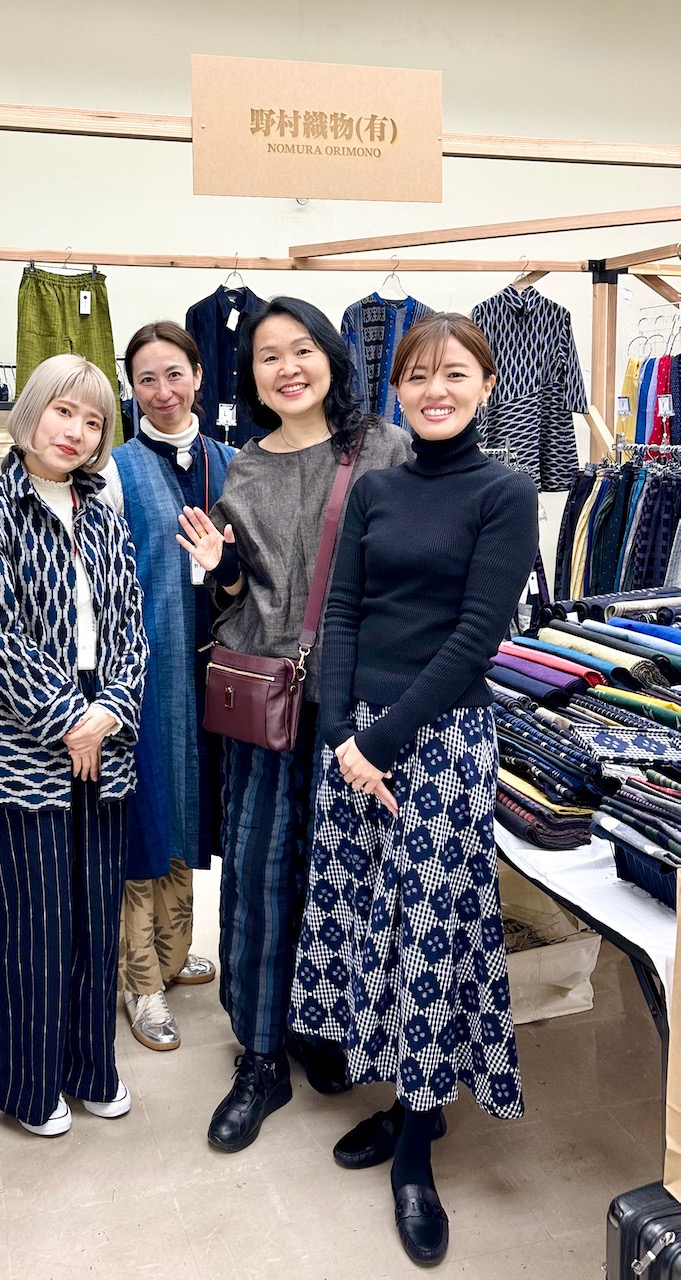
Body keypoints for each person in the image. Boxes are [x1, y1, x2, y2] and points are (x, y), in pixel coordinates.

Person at [288, 313, 539, 1267]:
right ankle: (402, 1103)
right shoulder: (376, 488)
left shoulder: (504, 491)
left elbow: (477, 637)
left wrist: (382, 742)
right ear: (395, 389)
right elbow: (342, 610)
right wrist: (343, 737)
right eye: (418, 376)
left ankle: (415, 1146)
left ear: (485, 386)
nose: (435, 391)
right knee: (368, 925)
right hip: (355, 741)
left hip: (438, 743)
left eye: (455, 374)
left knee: (427, 937)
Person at [176, 296, 412, 1152]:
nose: (287, 367)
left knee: (341, 874)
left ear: (330, 357)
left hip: (354, 702)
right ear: (250, 375)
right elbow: (242, 589)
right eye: (268, 355)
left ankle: (324, 1026)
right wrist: (222, 569)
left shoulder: (384, 448)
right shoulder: (244, 466)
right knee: (260, 869)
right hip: (266, 696)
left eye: (301, 349)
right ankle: (260, 1052)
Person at [0, 354, 148, 1137]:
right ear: (30, 414)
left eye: (92, 421)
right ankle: (29, 1085)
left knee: (93, 916)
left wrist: (108, 710)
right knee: (30, 925)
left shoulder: (104, 515)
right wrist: (65, 717)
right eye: (63, 411)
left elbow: (131, 628)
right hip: (13, 740)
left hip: (104, 733)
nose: (76, 431)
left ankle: (92, 1068)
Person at [99, 322, 233, 1051]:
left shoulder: (230, 462)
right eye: (146, 379)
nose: (162, 391)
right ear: (132, 387)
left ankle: (174, 951)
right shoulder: (115, 469)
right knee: (144, 815)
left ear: (199, 375)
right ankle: (140, 979)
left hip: (216, 672)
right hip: (142, 670)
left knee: (189, 807)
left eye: (174, 374)